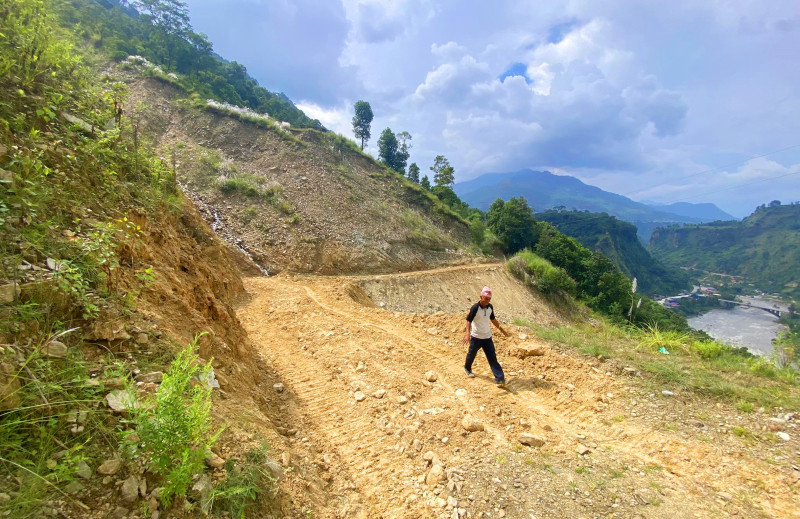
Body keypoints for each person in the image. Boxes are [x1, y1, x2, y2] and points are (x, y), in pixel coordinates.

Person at [462, 286, 510, 385]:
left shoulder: (490, 307)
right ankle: (467, 368)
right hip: (476, 337)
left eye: (489, 299)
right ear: (481, 297)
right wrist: (467, 334)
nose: (487, 301)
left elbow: (493, 320)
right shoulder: (475, 308)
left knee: (492, 357)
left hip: (487, 338)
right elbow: (468, 320)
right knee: (471, 354)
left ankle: (500, 378)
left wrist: (501, 329)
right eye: (485, 298)